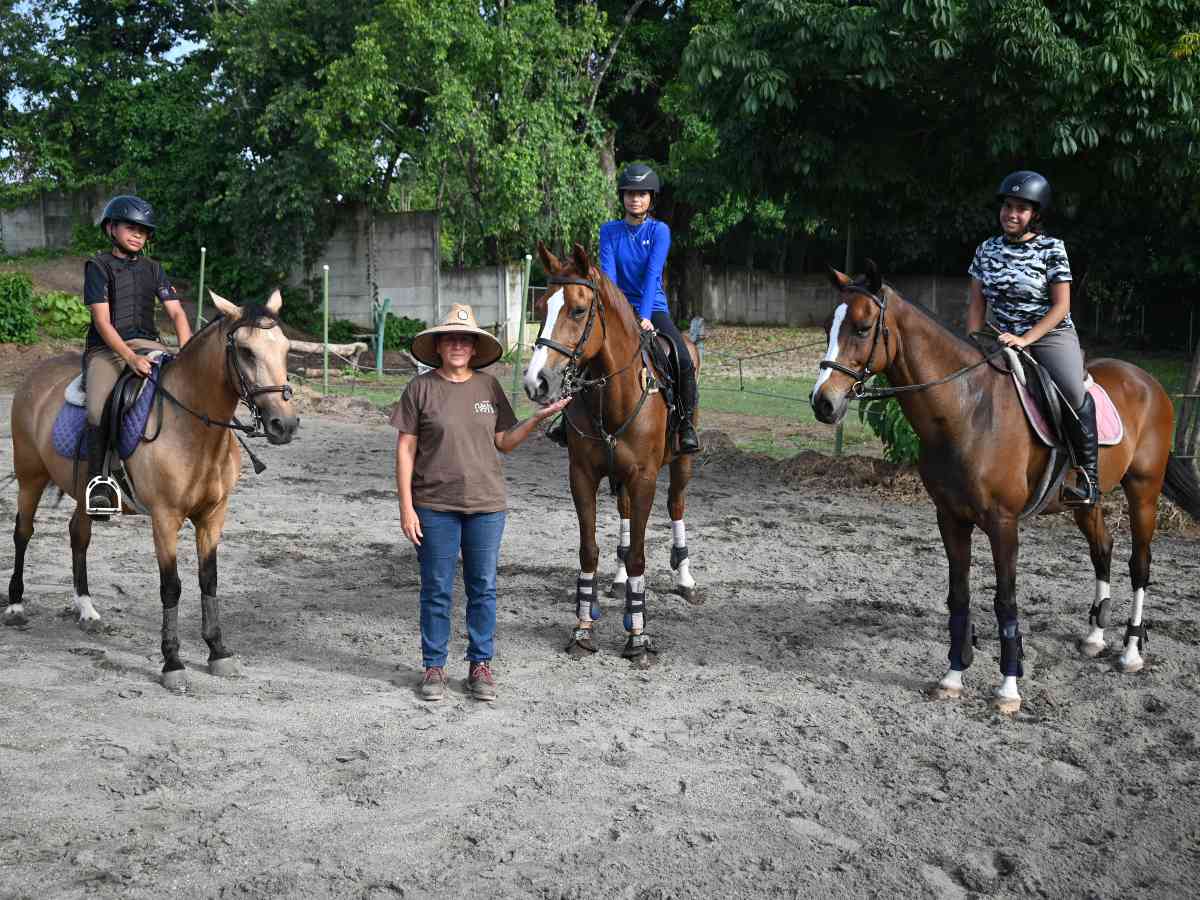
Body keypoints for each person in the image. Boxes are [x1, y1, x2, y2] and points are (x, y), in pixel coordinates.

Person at [393, 304, 569, 702]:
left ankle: (480, 665)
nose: (457, 345)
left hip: (486, 507)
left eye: (465, 339)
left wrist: (538, 419)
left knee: (483, 588)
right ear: (438, 346)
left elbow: (504, 441)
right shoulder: (420, 389)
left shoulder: (489, 388)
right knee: (436, 588)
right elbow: (405, 450)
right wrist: (406, 506)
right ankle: (434, 667)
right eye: (450, 338)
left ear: (474, 348)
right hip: (433, 505)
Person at [547, 163, 700, 453]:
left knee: (682, 357)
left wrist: (642, 316)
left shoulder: (660, 231)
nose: (635, 199)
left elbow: (653, 274)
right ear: (622, 197)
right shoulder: (610, 231)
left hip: (651, 308)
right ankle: (567, 421)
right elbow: (609, 277)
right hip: (615, 308)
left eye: (642, 194)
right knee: (580, 352)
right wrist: (620, 312)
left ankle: (685, 424)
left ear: (651, 198)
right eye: (630, 193)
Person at [966, 170, 1097, 505]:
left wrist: (1026, 339)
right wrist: (973, 336)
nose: (1011, 214)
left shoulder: (1052, 249)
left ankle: (1087, 478)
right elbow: (976, 302)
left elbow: (1061, 305)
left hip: (1050, 335)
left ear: (1034, 214)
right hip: (1000, 336)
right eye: (1008, 206)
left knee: (1071, 391)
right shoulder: (986, 250)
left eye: (1021, 209)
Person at [82, 195, 192, 518]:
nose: (137, 234)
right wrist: (129, 358)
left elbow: (178, 314)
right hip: (108, 349)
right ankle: (99, 483)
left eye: (143, 231)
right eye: (131, 227)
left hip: (149, 344)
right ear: (111, 227)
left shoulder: (154, 269)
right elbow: (102, 322)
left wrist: (185, 351)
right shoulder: (97, 267)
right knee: (98, 404)